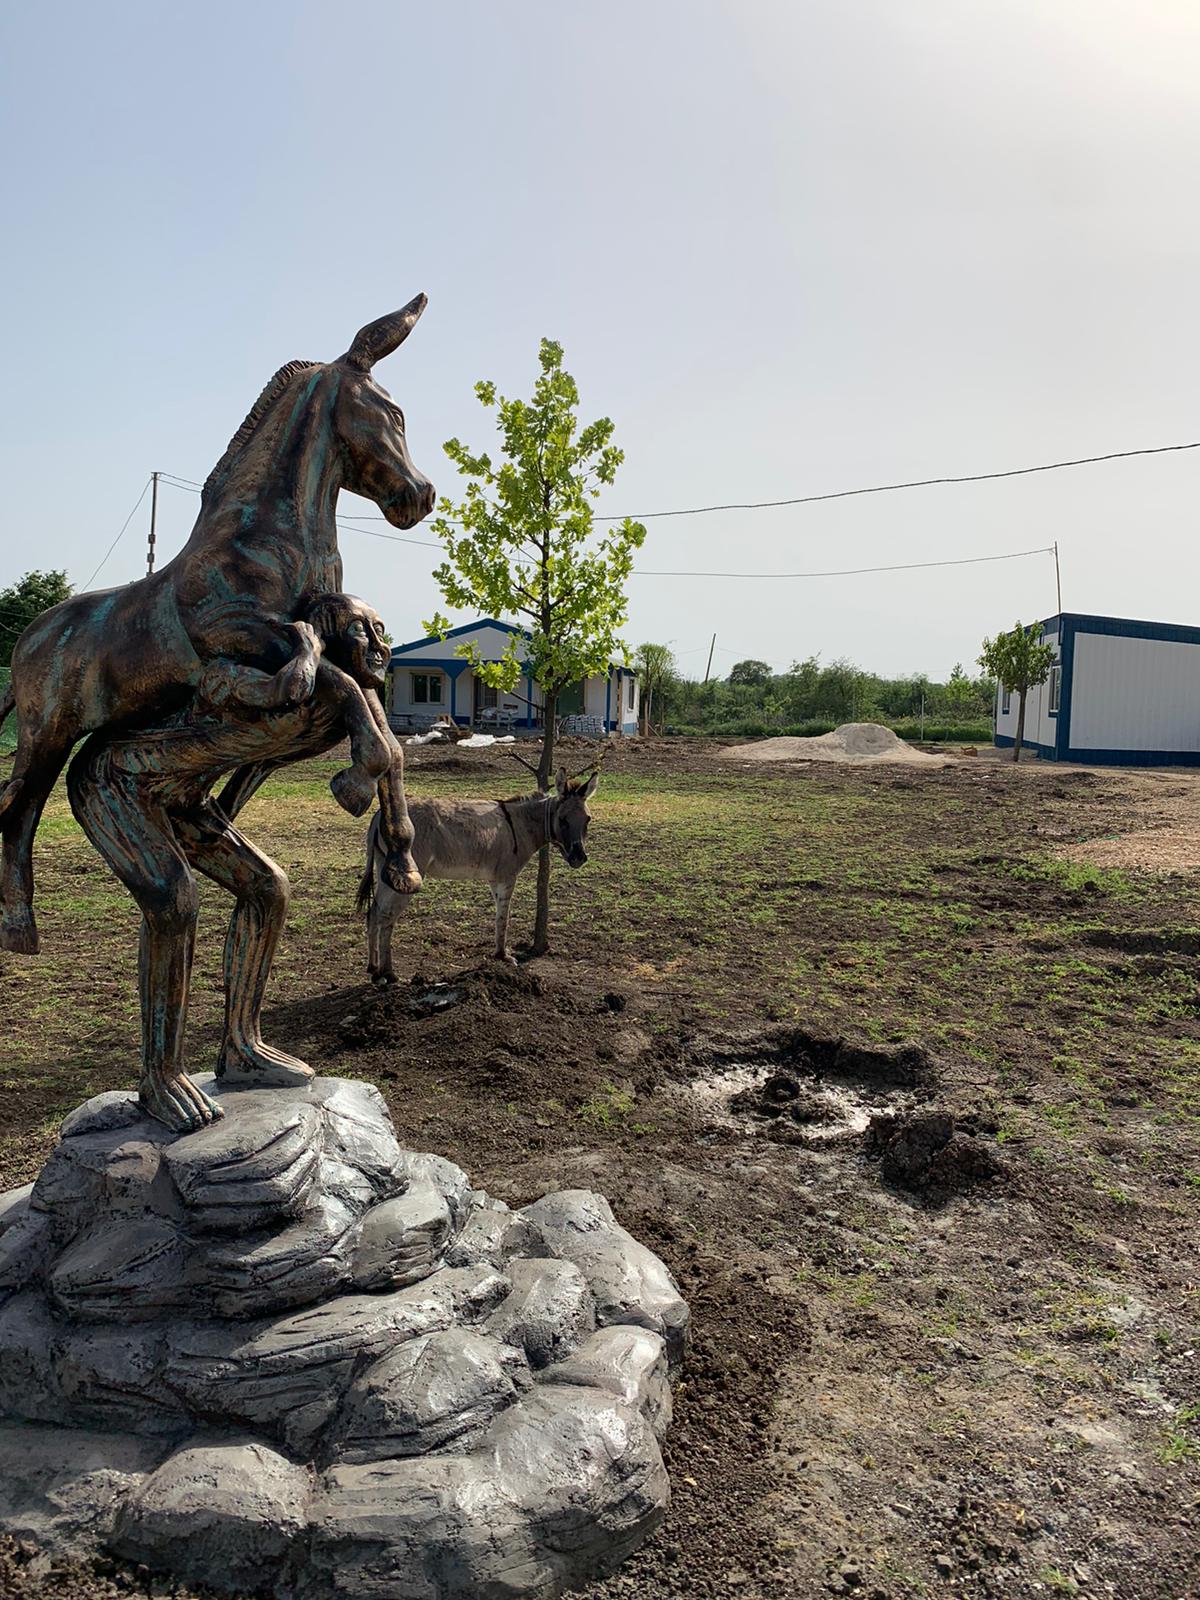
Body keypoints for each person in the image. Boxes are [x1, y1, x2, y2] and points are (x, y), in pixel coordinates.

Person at [66, 593, 419, 1133]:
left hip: (185, 799)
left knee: (266, 888)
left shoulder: (333, 714)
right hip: (117, 784)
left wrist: (219, 830)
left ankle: (241, 1044)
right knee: (175, 901)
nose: (376, 646)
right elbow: (286, 690)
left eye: (380, 630)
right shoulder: (232, 675)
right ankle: (161, 1074)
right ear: (322, 636)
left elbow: (254, 765)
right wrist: (307, 651)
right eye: (359, 631)